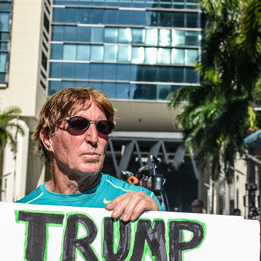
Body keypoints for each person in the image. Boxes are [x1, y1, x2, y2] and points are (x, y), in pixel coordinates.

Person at [18, 87, 160, 220]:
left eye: (103, 127)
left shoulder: (141, 202)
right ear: (48, 138)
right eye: (78, 124)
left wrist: (155, 220)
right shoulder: (19, 213)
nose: (94, 138)